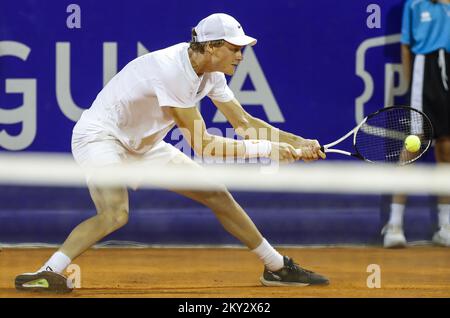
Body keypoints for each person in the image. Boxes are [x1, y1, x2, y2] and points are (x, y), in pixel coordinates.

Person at [15, 13, 328, 293]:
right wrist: (269, 149)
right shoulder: (172, 71)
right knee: (115, 213)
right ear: (210, 47)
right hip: (101, 138)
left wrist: (299, 143)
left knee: (216, 194)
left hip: (145, 145)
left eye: (241, 48)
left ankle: (276, 267)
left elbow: (244, 122)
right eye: (234, 48)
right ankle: (47, 272)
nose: (241, 55)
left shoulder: (212, 74)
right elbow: (205, 146)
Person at [382, 0, 450, 248]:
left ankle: (445, 226)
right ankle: (394, 225)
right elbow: (406, 47)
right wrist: (412, 87)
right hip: (426, 71)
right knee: (413, 146)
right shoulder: (415, 4)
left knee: (446, 148)